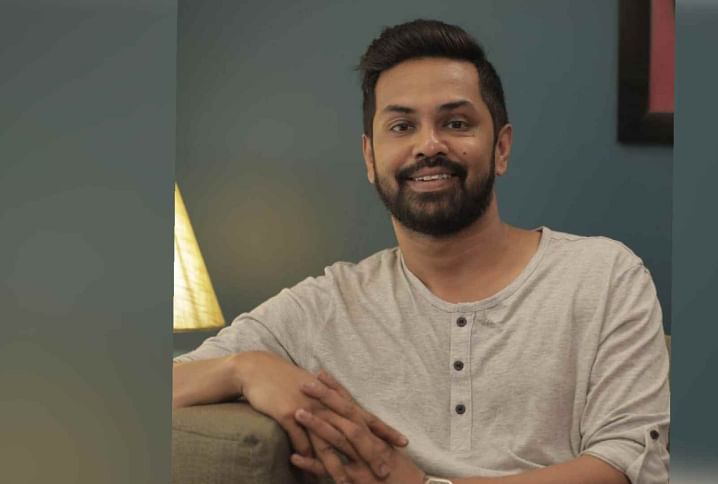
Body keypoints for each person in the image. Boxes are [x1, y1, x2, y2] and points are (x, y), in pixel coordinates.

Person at [173, 19, 670, 484]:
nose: (429, 145)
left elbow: (624, 466)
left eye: (456, 123)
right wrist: (245, 367)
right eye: (401, 127)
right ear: (370, 157)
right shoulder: (325, 305)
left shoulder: (605, 276)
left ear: (500, 148)